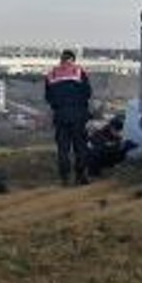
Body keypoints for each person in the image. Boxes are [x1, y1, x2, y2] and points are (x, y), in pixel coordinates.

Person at [44, 49, 92, 185]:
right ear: (73, 59)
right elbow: (87, 93)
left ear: (61, 59)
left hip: (60, 116)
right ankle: (80, 176)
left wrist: (57, 106)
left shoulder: (51, 74)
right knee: (80, 147)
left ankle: (65, 178)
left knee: (63, 149)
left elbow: (48, 97)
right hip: (78, 116)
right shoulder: (79, 72)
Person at [86, 114, 129, 178]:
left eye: (118, 130)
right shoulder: (100, 133)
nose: (117, 132)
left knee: (123, 150)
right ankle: (93, 173)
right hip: (93, 156)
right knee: (96, 153)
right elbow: (97, 147)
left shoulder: (115, 135)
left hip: (105, 154)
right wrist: (110, 145)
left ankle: (109, 168)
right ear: (111, 127)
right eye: (116, 130)